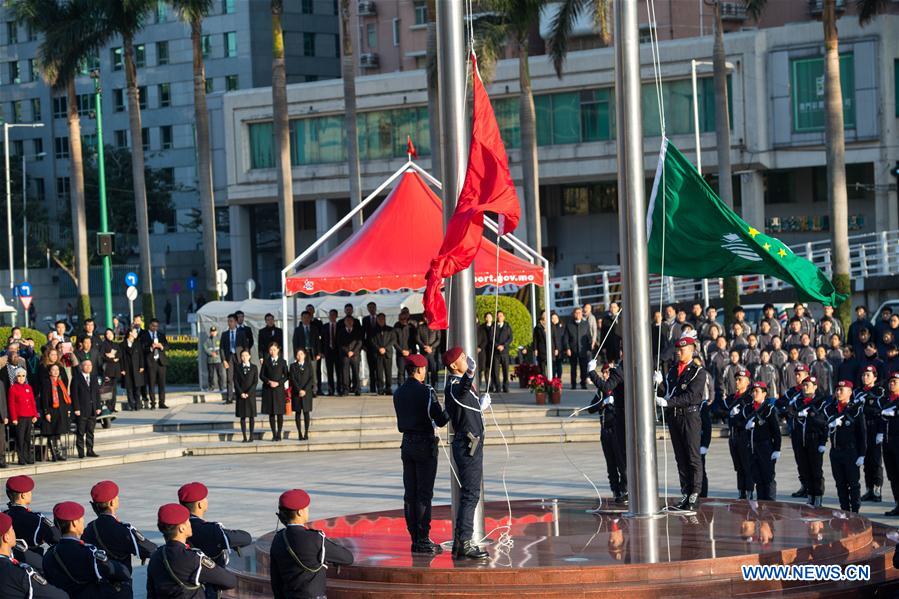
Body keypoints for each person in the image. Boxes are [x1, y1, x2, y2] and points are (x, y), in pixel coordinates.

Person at [393, 353, 450, 554]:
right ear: (419, 370)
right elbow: (440, 420)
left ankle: (415, 538)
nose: (425, 372)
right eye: (424, 369)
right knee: (424, 494)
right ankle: (423, 539)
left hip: (407, 444)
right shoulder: (426, 391)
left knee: (410, 494)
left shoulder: (398, 392)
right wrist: (451, 406)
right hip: (424, 444)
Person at [443, 346, 490, 560]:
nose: (466, 359)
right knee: (470, 495)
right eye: (462, 358)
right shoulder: (455, 385)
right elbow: (461, 390)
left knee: (470, 494)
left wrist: (479, 406)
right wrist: (470, 373)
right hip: (467, 445)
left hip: (470, 444)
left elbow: (464, 408)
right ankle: (465, 542)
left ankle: (460, 542)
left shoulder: (459, 385)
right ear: (454, 365)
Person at [654, 335, 708, 512]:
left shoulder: (698, 372)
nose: (678, 352)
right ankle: (685, 491)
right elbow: (668, 393)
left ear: (691, 350)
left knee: (693, 456)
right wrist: (660, 384)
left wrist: (668, 402)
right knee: (680, 457)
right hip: (675, 417)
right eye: (677, 349)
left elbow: (691, 396)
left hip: (689, 417)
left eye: (682, 349)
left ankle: (695, 493)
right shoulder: (672, 371)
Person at [269, 489, 354, 599]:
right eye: (306, 508)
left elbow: (276, 580)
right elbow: (347, 558)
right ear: (299, 512)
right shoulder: (314, 539)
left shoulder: (278, 539)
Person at [83, 480, 157, 597]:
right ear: (112, 502)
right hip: (119, 588)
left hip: (96, 588)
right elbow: (151, 550)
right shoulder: (123, 529)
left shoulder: (89, 529)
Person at [147, 503, 237, 598]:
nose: (190, 524)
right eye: (187, 521)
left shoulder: (156, 556)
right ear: (181, 528)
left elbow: (151, 594)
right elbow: (230, 581)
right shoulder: (192, 559)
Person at [178, 482, 251, 599]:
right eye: (205, 499)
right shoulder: (210, 530)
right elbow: (245, 538)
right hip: (208, 589)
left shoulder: (177, 528)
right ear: (200, 504)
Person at [42, 501, 131, 597]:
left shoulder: (49, 555)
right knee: (124, 584)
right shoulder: (87, 552)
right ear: (74, 523)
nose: (83, 521)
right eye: (81, 518)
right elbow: (121, 572)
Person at [586, 359, 627, 504]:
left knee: (622, 463)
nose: (605, 375)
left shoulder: (617, 388)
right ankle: (615, 490)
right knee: (611, 464)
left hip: (617, 429)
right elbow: (591, 408)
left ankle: (625, 489)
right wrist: (602, 403)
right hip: (605, 430)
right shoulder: (602, 391)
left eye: (607, 372)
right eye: (603, 372)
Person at [0, 511, 67, 598]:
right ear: (6, 537)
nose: (14, 531)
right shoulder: (20, 573)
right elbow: (60, 596)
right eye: (12, 529)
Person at [824, 380, 866, 513]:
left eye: (842, 390)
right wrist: (829, 424)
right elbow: (820, 422)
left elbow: (862, 433)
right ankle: (844, 510)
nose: (838, 392)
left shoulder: (855, 410)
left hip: (850, 451)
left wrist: (862, 454)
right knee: (840, 484)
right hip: (835, 452)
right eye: (837, 390)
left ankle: (855, 512)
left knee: (853, 484)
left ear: (850, 392)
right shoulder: (830, 409)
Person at [786, 375, 828, 507]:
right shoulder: (798, 402)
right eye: (804, 385)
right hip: (800, 440)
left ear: (815, 387)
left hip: (814, 439)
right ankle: (810, 495)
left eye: (808, 385)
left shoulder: (821, 402)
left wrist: (822, 442)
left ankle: (818, 496)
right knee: (804, 469)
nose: (805, 388)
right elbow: (789, 413)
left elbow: (823, 422)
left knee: (816, 470)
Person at [743, 381, 781, 501]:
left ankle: (770, 505)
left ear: (764, 393)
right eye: (753, 391)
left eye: (757, 391)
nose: (754, 394)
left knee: (768, 477)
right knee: (757, 478)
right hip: (752, 447)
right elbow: (738, 422)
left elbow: (776, 431)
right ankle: (761, 504)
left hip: (766, 447)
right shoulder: (748, 408)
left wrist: (777, 449)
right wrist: (745, 425)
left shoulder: (769, 409)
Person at [4, 476, 60, 555]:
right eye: (29, 492)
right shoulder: (37, 519)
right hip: (32, 560)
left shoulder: (4, 516)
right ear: (23, 495)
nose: (31, 494)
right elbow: (57, 538)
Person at [777, 364, 810, 498]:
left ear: (807, 375)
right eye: (796, 374)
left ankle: (813, 488)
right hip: (795, 429)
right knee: (799, 459)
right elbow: (780, 403)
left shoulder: (810, 390)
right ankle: (804, 485)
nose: (797, 377)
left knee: (810, 460)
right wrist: (787, 409)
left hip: (809, 431)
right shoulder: (792, 391)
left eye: (800, 374)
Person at [856, 364, 885, 503]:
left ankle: (877, 490)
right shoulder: (857, 392)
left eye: (868, 375)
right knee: (866, 461)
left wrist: (880, 432)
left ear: (875, 377)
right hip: (862, 429)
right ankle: (869, 489)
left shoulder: (879, 392)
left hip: (874, 428)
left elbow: (880, 411)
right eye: (863, 375)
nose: (865, 377)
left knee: (876, 461)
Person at [723, 368, 753, 499]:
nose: (737, 382)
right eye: (736, 379)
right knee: (738, 466)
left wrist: (738, 417)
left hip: (744, 435)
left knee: (747, 465)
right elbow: (721, 411)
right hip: (733, 435)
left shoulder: (749, 398)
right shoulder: (731, 398)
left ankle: (749, 491)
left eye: (740, 379)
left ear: (747, 382)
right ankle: (741, 491)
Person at [38, 364, 71, 462]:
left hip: (60, 411)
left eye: (57, 370)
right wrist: (46, 412)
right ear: (49, 372)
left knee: (58, 432)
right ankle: (54, 454)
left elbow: (64, 398)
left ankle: (58, 453)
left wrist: (67, 410)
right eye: (53, 370)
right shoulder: (46, 382)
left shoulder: (60, 382)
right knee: (51, 433)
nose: (56, 371)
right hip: (51, 411)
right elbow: (44, 399)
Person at [70, 360, 102, 459]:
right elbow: (74, 394)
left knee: (90, 431)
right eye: (86, 365)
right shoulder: (76, 378)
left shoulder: (93, 377)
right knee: (80, 432)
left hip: (92, 409)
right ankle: (81, 452)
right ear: (81, 366)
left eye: (90, 365)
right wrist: (76, 408)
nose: (88, 367)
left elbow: (97, 393)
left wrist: (98, 406)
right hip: (81, 409)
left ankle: (90, 450)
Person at [878, 372, 899, 516]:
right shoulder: (885, 400)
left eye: (895, 382)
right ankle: (898, 504)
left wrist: (896, 413)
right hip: (887, 441)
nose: (892, 384)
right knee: (893, 475)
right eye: (890, 382)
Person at [261, 342, 289, 441]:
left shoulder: (283, 362)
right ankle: (274, 434)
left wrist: (278, 383)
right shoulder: (266, 361)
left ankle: (279, 434)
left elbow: (286, 375)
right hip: (269, 390)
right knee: (271, 413)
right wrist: (269, 381)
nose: (272, 352)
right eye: (271, 350)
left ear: (278, 350)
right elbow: (261, 375)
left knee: (279, 413)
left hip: (279, 390)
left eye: (274, 349)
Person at [219, 314, 250, 404]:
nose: (229, 323)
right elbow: (221, 348)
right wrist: (224, 360)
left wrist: (246, 357)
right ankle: (229, 398)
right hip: (229, 358)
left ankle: (240, 395)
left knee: (240, 377)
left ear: (236, 322)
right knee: (229, 378)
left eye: (231, 321)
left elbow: (245, 346)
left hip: (240, 358)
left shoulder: (241, 333)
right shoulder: (224, 334)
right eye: (228, 321)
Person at [8, 369, 37, 465]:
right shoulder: (13, 388)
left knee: (27, 438)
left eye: (23, 376)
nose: (21, 378)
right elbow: (11, 405)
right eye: (19, 376)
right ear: (16, 377)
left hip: (29, 416)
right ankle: (21, 458)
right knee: (20, 438)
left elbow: (32, 402)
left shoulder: (28, 387)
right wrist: (14, 418)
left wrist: (35, 414)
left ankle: (28, 457)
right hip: (20, 417)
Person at [291, 311, 321, 395]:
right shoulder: (298, 330)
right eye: (304, 317)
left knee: (313, 372)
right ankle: (303, 390)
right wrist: (296, 355)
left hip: (312, 353)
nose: (306, 319)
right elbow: (295, 342)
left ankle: (314, 390)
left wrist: (319, 353)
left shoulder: (314, 329)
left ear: (310, 318)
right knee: (302, 372)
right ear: (301, 318)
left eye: (308, 318)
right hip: (302, 354)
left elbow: (318, 342)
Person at [140, 319, 168, 409]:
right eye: (153, 326)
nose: (155, 328)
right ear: (149, 325)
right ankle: (152, 403)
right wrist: (151, 348)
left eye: (156, 326)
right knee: (151, 384)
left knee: (162, 384)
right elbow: (142, 348)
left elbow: (167, 346)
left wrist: (161, 346)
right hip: (150, 362)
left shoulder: (161, 335)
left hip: (161, 362)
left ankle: (162, 402)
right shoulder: (144, 336)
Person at [289, 348, 316, 441]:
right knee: (298, 412)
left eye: (301, 354)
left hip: (306, 393)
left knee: (306, 412)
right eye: (297, 354)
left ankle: (306, 432)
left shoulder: (309, 365)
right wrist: (299, 390)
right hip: (296, 393)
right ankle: (299, 433)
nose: (299, 356)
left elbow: (311, 379)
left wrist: (304, 390)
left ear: (304, 355)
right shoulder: (292, 366)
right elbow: (292, 379)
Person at [233, 350, 258, 443]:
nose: (244, 357)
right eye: (242, 356)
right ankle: (244, 436)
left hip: (250, 395)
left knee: (251, 416)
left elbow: (255, 382)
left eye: (246, 355)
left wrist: (249, 393)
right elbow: (235, 381)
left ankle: (251, 436)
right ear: (240, 357)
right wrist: (241, 393)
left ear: (249, 356)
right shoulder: (237, 367)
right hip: (241, 395)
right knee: (242, 416)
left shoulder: (254, 367)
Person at [564, 307, 591, 390]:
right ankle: (573, 384)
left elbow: (588, 336)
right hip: (573, 350)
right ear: (573, 314)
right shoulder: (569, 324)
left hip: (583, 350)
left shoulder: (585, 324)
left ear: (582, 314)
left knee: (583, 368)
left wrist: (589, 348)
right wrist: (567, 348)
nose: (578, 314)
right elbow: (566, 338)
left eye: (579, 313)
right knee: (573, 368)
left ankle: (583, 383)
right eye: (576, 313)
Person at [119, 328, 145, 412]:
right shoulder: (122, 344)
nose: (136, 333)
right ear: (130, 333)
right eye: (135, 332)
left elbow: (141, 355)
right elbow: (121, 358)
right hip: (127, 368)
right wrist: (122, 369)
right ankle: (131, 405)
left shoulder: (138, 343)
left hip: (137, 368)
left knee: (137, 388)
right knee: (129, 388)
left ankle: (138, 404)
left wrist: (142, 366)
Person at [371, 313, 396, 395]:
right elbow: (372, 341)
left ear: (385, 319)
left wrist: (385, 348)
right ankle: (380, 388)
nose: (381, 320)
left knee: (388, 372)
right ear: (377, 320)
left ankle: (388, 388)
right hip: (378, 353)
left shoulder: (390, 329)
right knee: (379, 372)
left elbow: (393, 340)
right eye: (379, 319)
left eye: (382, 319)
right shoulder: (373, 330)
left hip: (387, 353)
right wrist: (379, 348)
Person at [416, 317, 441, 388]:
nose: (426, 318)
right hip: (424, 352)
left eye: (428, 316)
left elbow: (438, 339)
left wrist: (431, 347)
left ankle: (434, 385)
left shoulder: (436, 326)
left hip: (433, 352)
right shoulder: (420, 327)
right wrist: (424, 346)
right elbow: (417, 338)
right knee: (424, 370)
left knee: (434, 369)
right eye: (425, 317)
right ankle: (424, 385)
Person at [491, 311, 513, 393]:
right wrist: (497, 346)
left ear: (504, 317)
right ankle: (498, 387)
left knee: (505, 370)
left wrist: (504, 345)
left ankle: (506, 387)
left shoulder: (507, 326)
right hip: (496, 352)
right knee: (496, 371)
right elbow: (491, 338)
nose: (499, 317)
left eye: (500, 316)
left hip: (505, 351)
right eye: (498, 316)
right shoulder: (494, 326)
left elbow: (510, 338)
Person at [99, 329, 121, 413]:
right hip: (107, 369)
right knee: (108, 389)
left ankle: (113, 406)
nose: (109, 335)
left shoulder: (116, 344)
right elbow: (102, 356)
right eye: (107, 334)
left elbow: (120, 354)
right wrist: (111, 358)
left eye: (111, 333)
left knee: (114, 389)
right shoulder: (103, 344)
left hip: (115, 369)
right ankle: (108, 407)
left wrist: (113, 356)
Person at [393, 309, 415, 388]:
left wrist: (409, 351)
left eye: (404, 319)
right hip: (400, 354)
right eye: (401, 319)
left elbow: (414, 341)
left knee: (411, 372)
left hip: (410, 353)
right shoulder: (396, 327)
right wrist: (401, 351)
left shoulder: (411, 327)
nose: (403, 320)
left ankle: (412, 387)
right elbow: (394, 342)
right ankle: (401, 388)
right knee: (401, 372)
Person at [321, 309, 341, 396]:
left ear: (336, 316)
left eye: (333, 315)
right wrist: (322, 352)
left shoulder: (340, 326)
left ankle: (339, 389)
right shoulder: (324, 326)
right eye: (330, 315)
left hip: (338, 352)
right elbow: (322, 340)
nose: (332, 316)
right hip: (328, 352)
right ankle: (331, 390)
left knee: (339, 372)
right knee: (329, 372)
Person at [203, 327, 224, 393]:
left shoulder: (219, 339)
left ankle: (221, 387)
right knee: (211, 375)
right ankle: (211, 387)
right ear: (210, 332)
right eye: (212, 331)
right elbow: (205, 348)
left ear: (216, 332)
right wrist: (211, 353)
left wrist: (216, 353)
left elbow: (222, 348)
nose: (213, 333)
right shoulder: (207, 340)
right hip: (210, 360)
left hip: (218, 360)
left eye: (214, 331)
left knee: (220, 374)